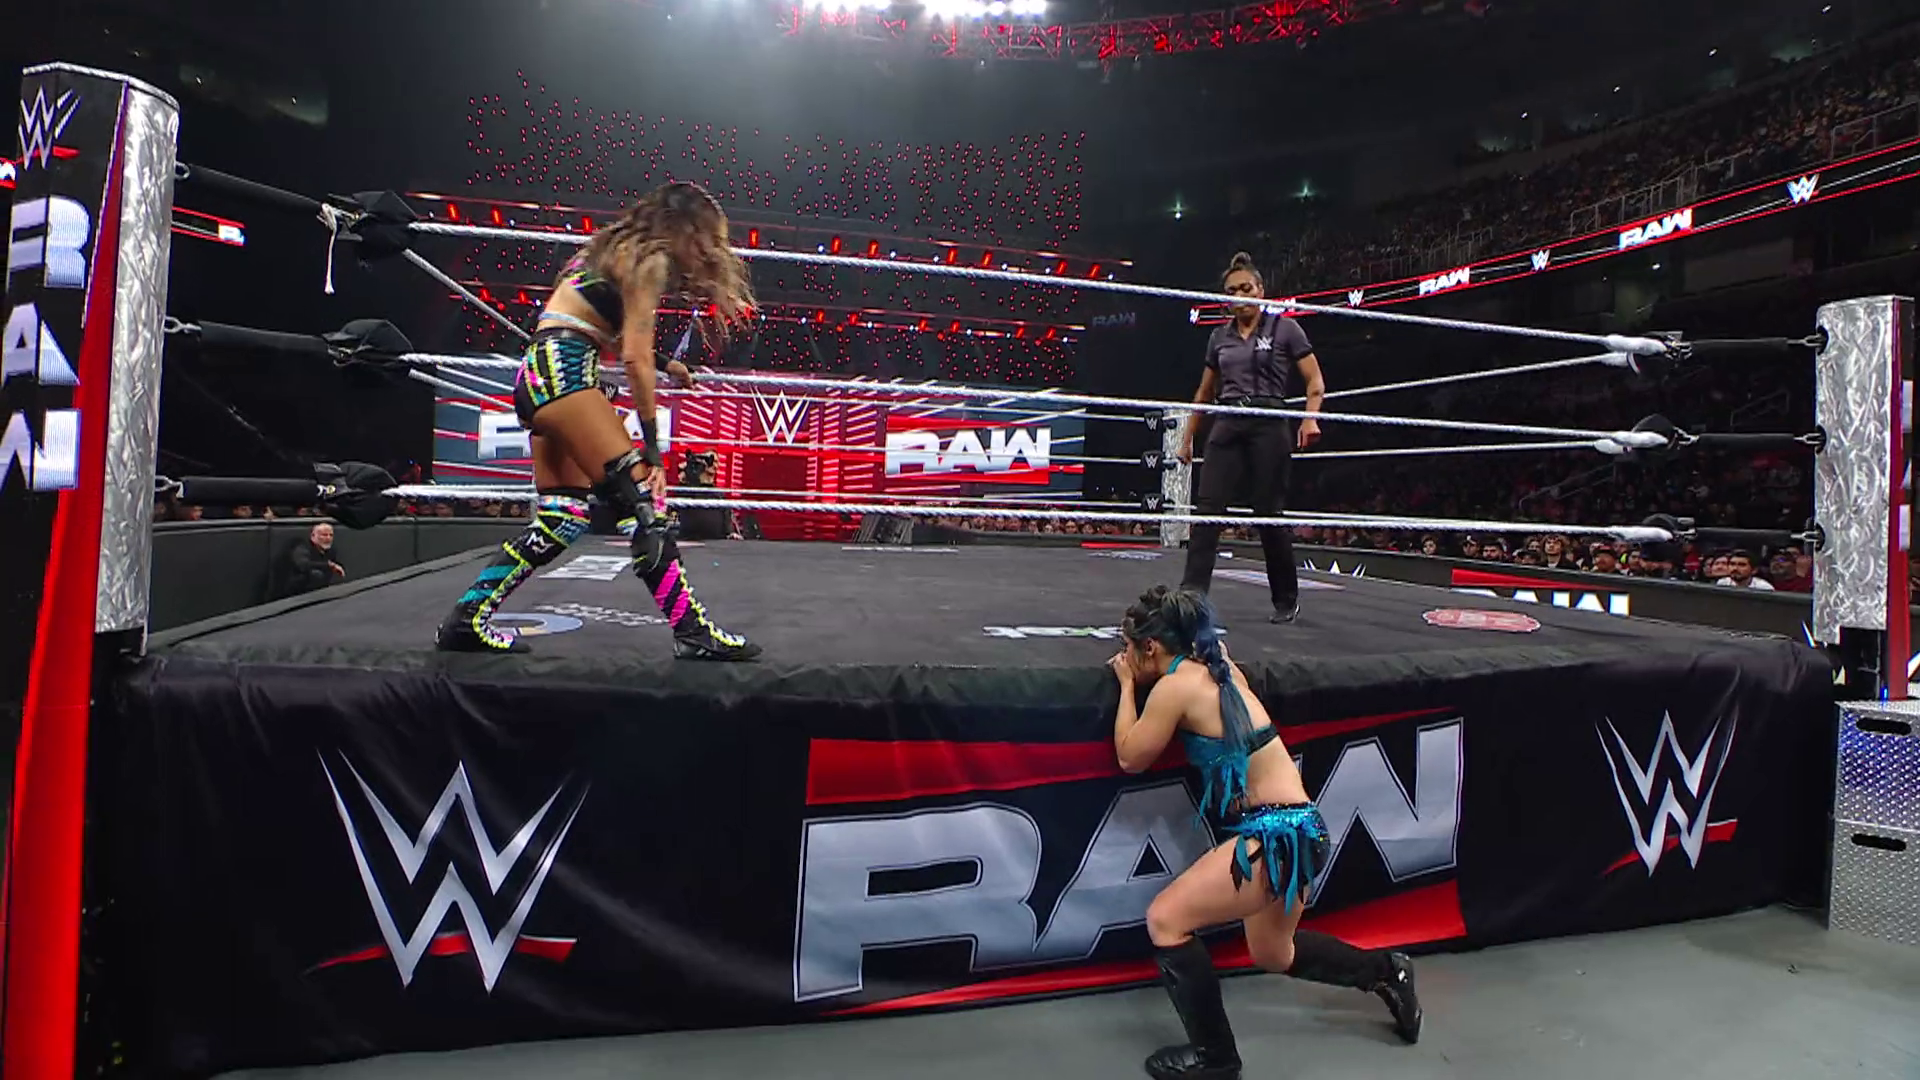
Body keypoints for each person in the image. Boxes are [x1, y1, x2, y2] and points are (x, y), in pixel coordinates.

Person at [435, 181, 760, 660]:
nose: (707, 254)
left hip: (539, 372)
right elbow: (633, 357)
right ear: (687, 229)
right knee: (645, 503)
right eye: (706, 240)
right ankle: (692, 633)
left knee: (561, 518)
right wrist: (652, 448)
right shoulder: (652, 261)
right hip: (566, 376)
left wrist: (667, 363)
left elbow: (593, 322)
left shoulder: (606, 250)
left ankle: (466, 619)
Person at [1110, 585, 1420, 1079]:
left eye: (1128, 646)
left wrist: (1127, 686)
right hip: (1301, 830)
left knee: (1165, 920)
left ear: (1150, 646)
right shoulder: (1220, 668)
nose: (1124, 655)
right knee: (1274, 952)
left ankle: (1216, 1058)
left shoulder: (1175, 685)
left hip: (1275, 835)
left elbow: (1130, 756)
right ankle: (1389, 970)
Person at [1179, 253, 1325, 624]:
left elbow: (1314, 381)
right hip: (1229, 420)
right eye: (1231, 291)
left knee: (1268, 512)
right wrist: (1187, 437)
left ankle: (1285, 598)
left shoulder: (1285, 329)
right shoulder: (1219, 337)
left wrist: (1310, 418)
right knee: (1208, 510)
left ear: (1260, 290)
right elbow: (1204, 392)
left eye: (1246, 288)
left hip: (1268, 420)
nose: (1239, 296)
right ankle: (1190, 600)